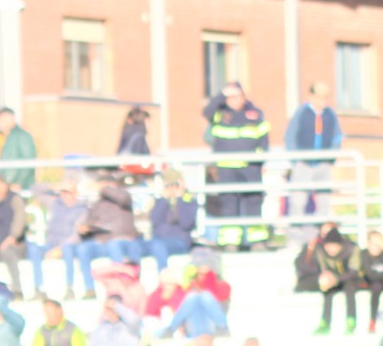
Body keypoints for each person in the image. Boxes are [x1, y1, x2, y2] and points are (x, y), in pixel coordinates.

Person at [202, 82, 270, 250]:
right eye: (230, 97)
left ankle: (257, 240)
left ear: (244, 96)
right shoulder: (220, 113)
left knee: (253, 202)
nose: (233, 100)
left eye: (236, 96)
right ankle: (230, 242)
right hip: (227, 168)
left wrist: (262, 162)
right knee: (229, 203)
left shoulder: (255, 114)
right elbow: (206, 112)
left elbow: (264, 140)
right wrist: (220, 95)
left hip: (250, 167)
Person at [283, 81, 342, 248]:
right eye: (320, 97)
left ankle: (321, 238)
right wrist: (296, 160)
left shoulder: (330, 114)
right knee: (298, 201)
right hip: (304, 164)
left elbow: (337, 137)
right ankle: (295, 239)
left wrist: (331, 157)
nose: (323, 100)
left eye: (325, 97)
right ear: (312, 96)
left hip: (323, 164)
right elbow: (290, 136)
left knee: (324, 202)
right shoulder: (302, 113)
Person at [73, 177, 143, 293]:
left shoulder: (123, 200)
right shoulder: (97, 205)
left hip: (122, 239)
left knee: (113, 245)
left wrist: (104, 188)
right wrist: (85, 229)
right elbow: (90, 223)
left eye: (107, 186)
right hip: (101, 242)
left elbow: (123, 198)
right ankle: (89, 288)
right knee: (83, 249)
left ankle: (121, 285)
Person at [143, 170, 198, 275]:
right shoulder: (159, 201)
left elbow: (186, 223)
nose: (172, 188)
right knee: (135, 246)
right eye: (168, 185)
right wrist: (164, 199)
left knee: (158, 245)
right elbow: (155, 220)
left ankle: (164, 276)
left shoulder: (189, 200)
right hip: (157, 241)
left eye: (175, 185)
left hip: (179, 242)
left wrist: (180, 198)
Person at [313, 227, 360, 334]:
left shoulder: (352, 249)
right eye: (328, 246)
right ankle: (325, 322)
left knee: (350, 289)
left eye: (334, 246)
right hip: (333, 279)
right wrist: (325, 278)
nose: (331, 249)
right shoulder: (320, 250)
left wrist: (337, 279)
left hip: (351, 278)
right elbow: (323, 268)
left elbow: (354, 271)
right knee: (327, 292)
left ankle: (351, 320)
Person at [0, 108, 38, 193]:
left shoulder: (22, 136)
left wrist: (19, 183)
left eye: (0, 119)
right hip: (6, 186)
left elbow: (29, 161)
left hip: (19, 187)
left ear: (9, 119)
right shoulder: (3, 137)